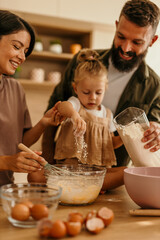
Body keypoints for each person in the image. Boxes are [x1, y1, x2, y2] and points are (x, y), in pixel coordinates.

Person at [42, 0, 160, 170]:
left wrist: (156, 130)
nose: (126, 48)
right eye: (121, 37)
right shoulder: (82, 62)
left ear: (152, 40)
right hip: (67, 166)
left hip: (111, 171)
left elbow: (154, 126)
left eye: (137, 42)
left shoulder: (154, 86)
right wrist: (47, 163)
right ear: (116, 26)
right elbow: (52, 113)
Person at [0, 10, 62, 186]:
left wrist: (43, 123)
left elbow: (19, 142)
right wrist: (7, 162)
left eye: (25, 51)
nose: (22, 57)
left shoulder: (15, 89)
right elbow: (9, 157)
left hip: (5, 190)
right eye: (16, 47)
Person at [54, 48, 123, 167]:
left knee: (122, 172)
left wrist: (123, 138)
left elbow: (110, 143)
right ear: (76, 88)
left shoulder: (107, 114)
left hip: (98, 167)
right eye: (86, 92)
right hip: (73, 164)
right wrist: (74, 115)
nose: (92, 97)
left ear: (105, 89)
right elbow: (62, 107)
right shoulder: (75, 104)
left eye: (98, 93)